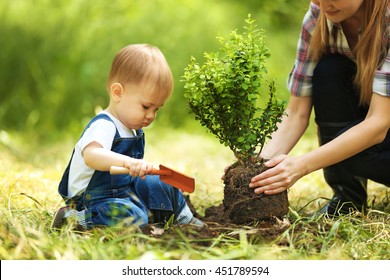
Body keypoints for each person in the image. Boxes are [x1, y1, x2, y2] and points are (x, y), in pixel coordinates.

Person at [249, 0, 390, 216]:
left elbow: (378, 123)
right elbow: (296, 113)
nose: (325, 4)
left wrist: (300, 166)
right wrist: (256, 166)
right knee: (329, 70)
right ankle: (347, 201)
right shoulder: (318, 19)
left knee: (341, 152)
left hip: (382, 129)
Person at [51, 44, 203, 230]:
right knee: (134, 216)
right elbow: (92, 156)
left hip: (122, 191)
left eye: (157, 109)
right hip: (92, 199)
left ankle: (184, 220)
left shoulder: (131, 129)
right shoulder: (104, 125)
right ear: (118, 93)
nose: (151, 115)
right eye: (146, 107)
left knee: (162, 183)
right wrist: (128, 163)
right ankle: (76, 218)